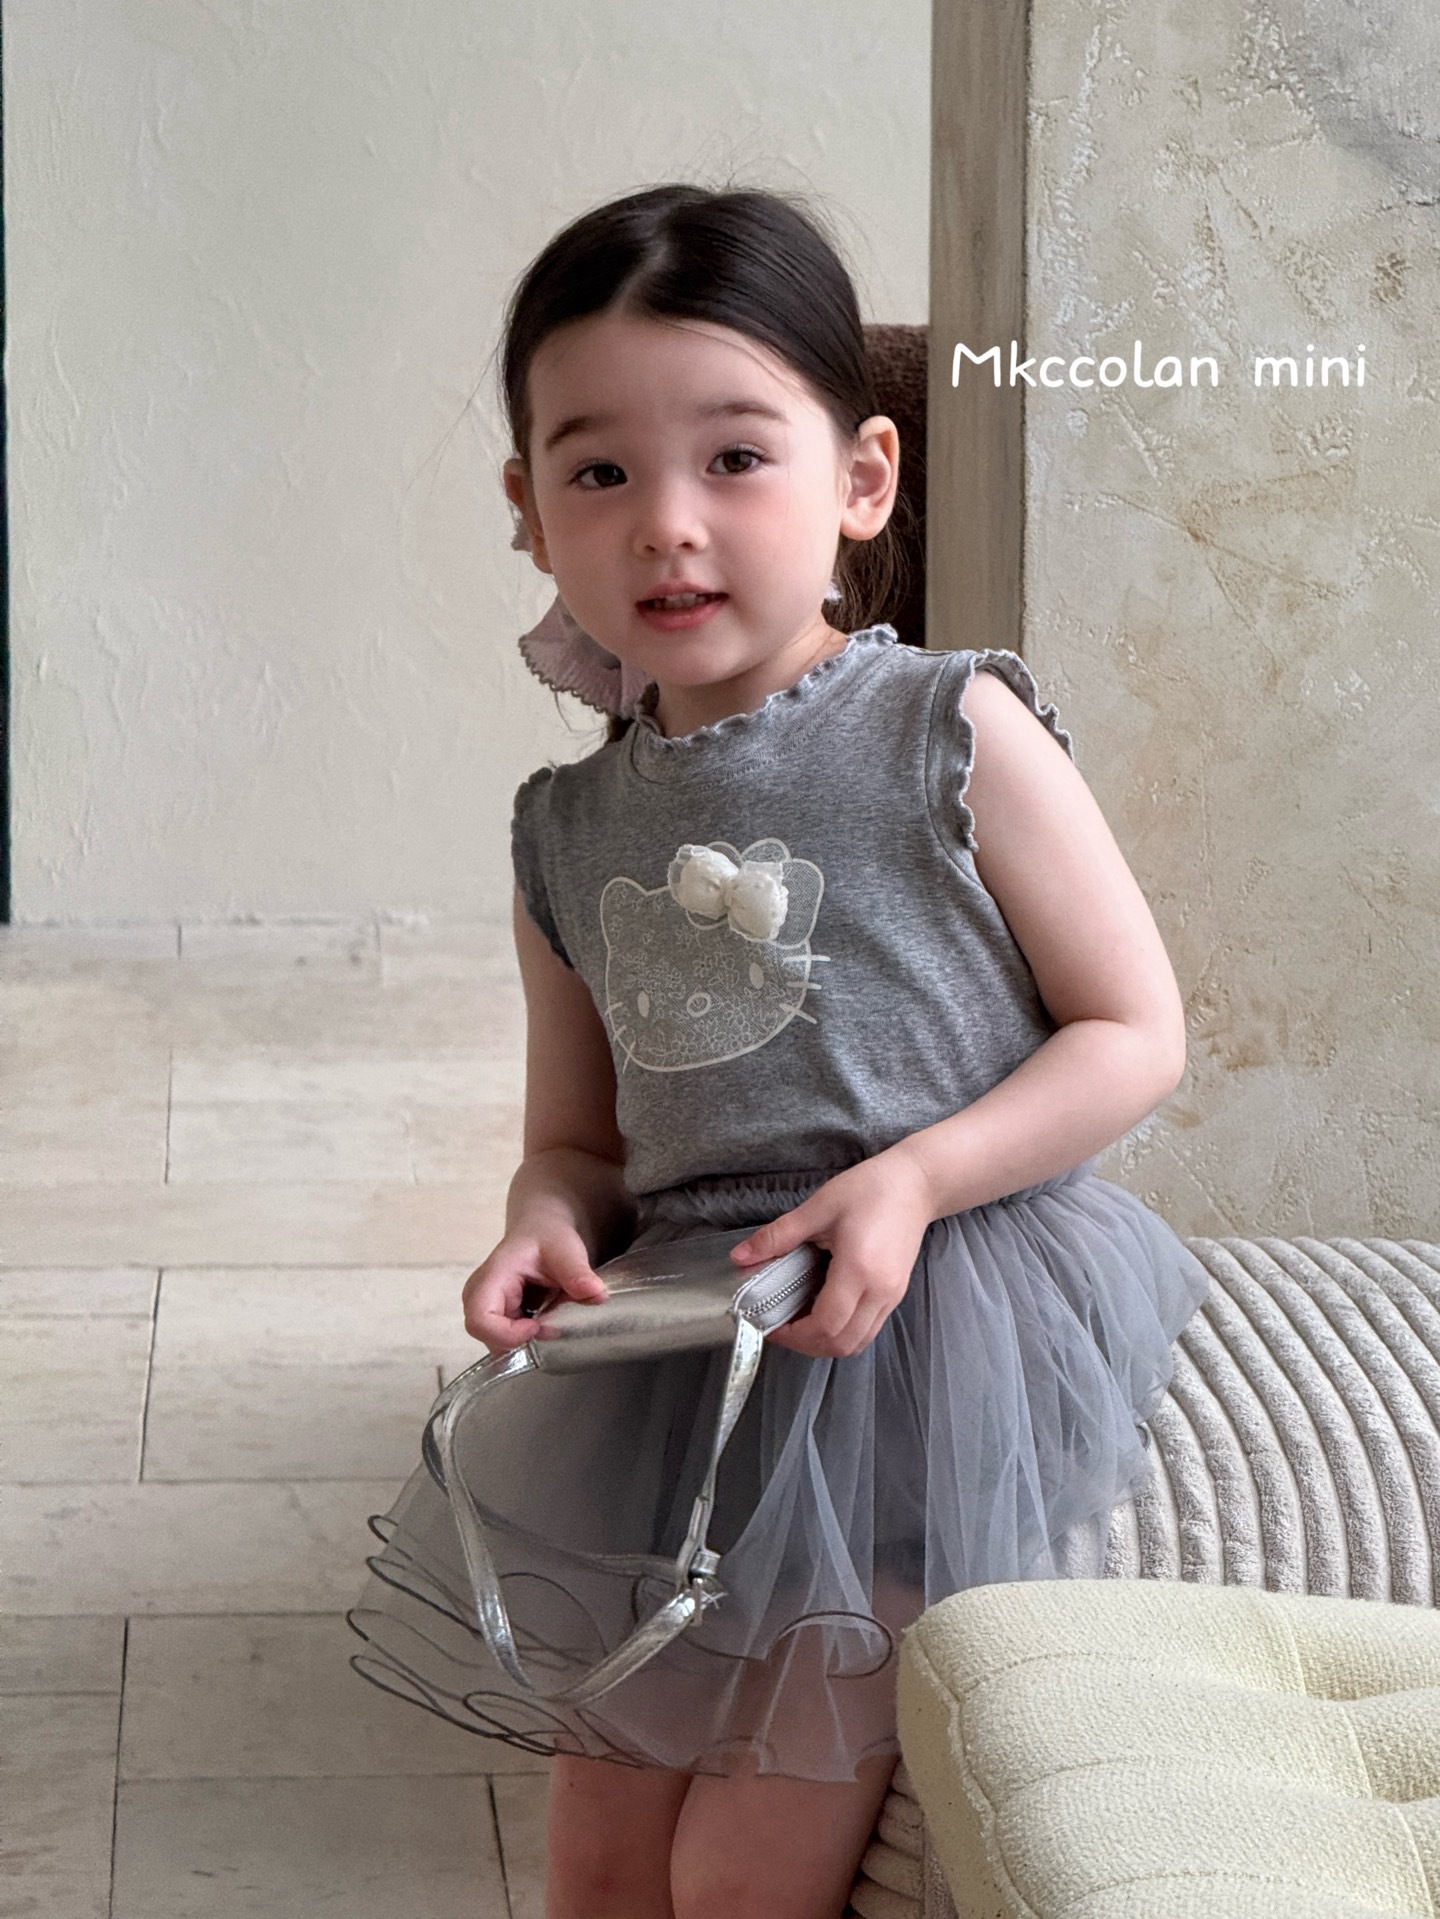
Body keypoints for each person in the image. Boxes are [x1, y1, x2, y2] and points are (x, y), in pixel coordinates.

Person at [346, 180, 1211, 1919]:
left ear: (862, 479)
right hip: (692, 1346)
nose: (668, 525)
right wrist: (541, 1219)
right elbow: (581, 1142)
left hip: (928, 1315)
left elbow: (1135, 1032)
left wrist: (916, 1179)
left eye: (736, 458)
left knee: (745, 1867)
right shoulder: (563, 828)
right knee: (598, 1859)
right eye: (600, 472)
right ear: (529, 513)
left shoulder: (948, 729)